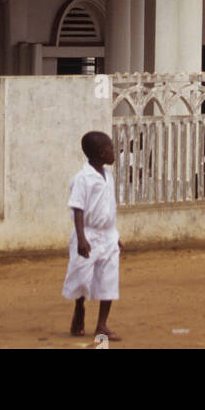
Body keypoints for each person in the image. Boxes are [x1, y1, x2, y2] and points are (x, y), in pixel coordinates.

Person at [62, 131, 121, 343]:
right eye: (110, 149)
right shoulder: (83, 179)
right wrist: (81, 238)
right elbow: (78, 209)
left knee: (109, 279)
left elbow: (108, 207)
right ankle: (79, 308)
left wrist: (114, 234)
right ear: (98, 153)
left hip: (107, 234)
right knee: (82, 277)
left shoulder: (109, 177)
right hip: (87, 234)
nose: (113, 152)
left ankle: (102, 325)